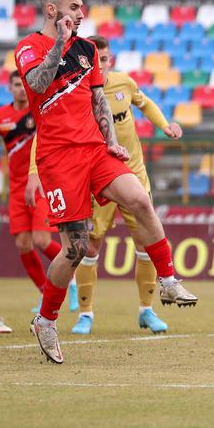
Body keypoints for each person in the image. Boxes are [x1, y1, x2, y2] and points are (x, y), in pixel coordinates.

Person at [16, 0, 197, 364]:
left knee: (139, 199)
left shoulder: (87, 52)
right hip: (58, 159)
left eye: (82, 8)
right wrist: (59, 44)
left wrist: (111, 140)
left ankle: (167, 280)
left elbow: (98, 100)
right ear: (52, 10)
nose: (82, 14)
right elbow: (36, 83)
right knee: (77, 247)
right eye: (74, 7)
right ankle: (46, 320)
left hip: (96, 151)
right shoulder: (29, 47)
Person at [26, 36, 183, 336]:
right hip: (95, 169)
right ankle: (85, 313)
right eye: (100, 58)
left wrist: (164, 125)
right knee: (88, 245)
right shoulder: (78, 88)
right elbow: (45, 130)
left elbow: (146, 103)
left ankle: (147, 310)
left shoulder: (124, 83)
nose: (104, 63)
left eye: (108, 58)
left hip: (131, 171)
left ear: (112, 60)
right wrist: (35, 170)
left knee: (144, 243)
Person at [0, 71, 76, 312]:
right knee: (23, 244)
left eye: (24, 85)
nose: (21, 89)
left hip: (42, 183)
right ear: (9, 88)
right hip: (17, 188)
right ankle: (45, 292)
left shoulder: (40, 109)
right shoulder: (1, 116)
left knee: (41, 240)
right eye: (16, 85)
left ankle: (71, 278)